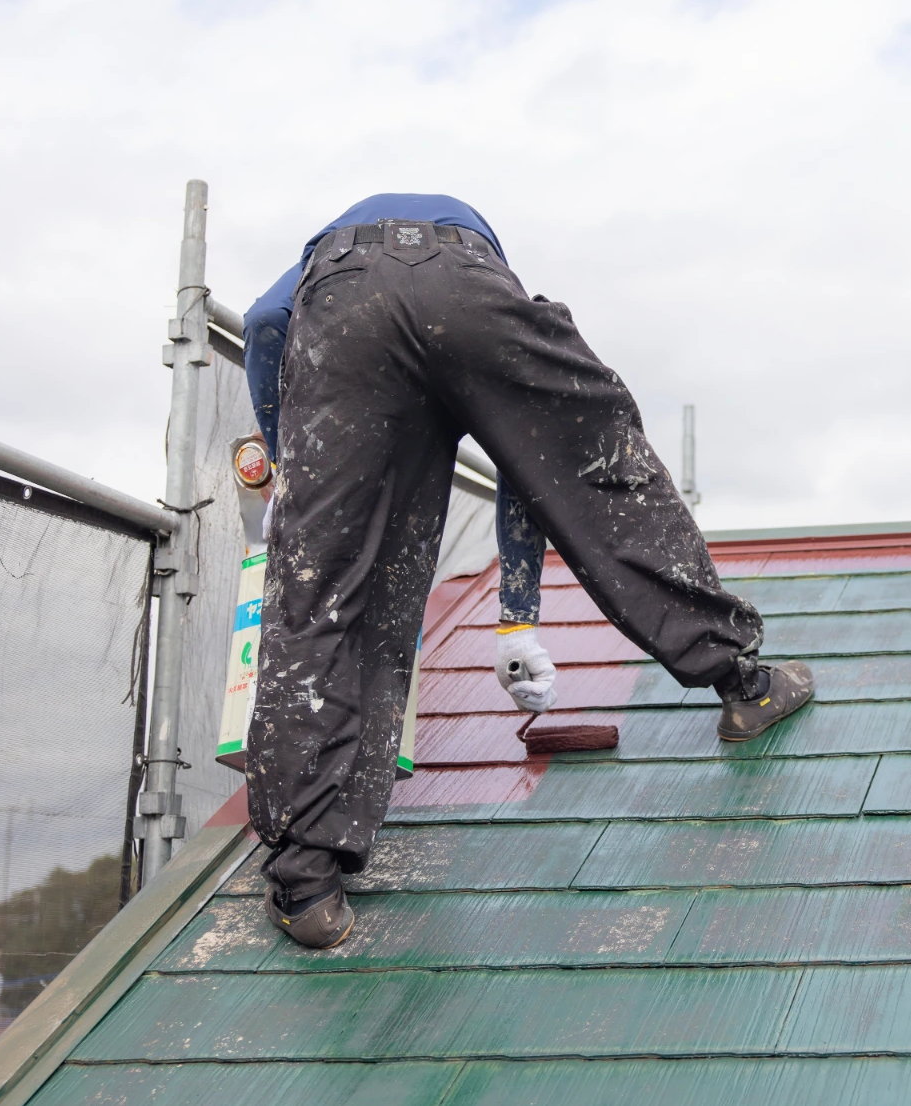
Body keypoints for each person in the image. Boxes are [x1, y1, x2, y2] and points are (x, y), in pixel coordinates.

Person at [240, 194, 814, 949]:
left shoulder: (329, 255)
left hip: (339, 309)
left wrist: (298, 475)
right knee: (599, 474)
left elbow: (260, 324)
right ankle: (743, 685)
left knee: (329, 581)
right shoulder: (474, 271)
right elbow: (533, 471)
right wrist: (519, 615)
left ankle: (307, 881)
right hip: (466, 282)